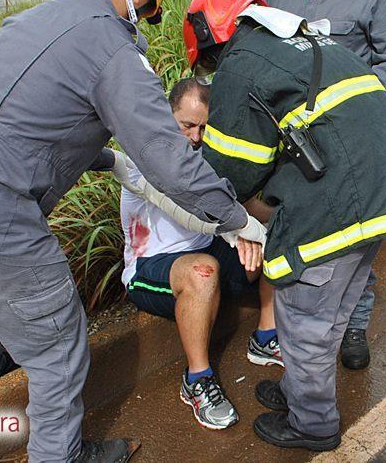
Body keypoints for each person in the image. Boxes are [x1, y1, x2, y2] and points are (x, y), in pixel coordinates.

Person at [0, 0, 265, 463]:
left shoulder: (36, 20)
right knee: (57, 346)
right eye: (149, 8)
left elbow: (20, 117)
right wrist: (235, 219)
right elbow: (166, 156)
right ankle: (59, 455)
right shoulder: (113, 45)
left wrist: (104, 157)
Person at [184, 0, 386, 451]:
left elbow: (234, 168)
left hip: (340, 203)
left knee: (304, 321)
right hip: (385, 192)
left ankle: (313, 425)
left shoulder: (241, 60)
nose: (214, 72)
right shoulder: (306, 40)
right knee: (332, 313)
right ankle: (299, 393)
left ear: (211, 42)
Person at [257, 0, 386, 370]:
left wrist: (356, 102)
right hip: (293, 145)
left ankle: (353, 327)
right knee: (299, 238)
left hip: (351, 147)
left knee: (354, 240)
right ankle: (298, 333)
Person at [106, 79, 280, 431]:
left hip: (208, 252)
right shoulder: (147, 158)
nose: (196, 137)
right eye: (187, 125)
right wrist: (239, 232)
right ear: (167, 116)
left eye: (203, 127)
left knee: (276, 240)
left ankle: (265, 336)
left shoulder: (206, 155)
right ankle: (197, 380)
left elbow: (238, 203)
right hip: (151, 268)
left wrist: (284, 222)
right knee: (204, 270)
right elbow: (191, 209)